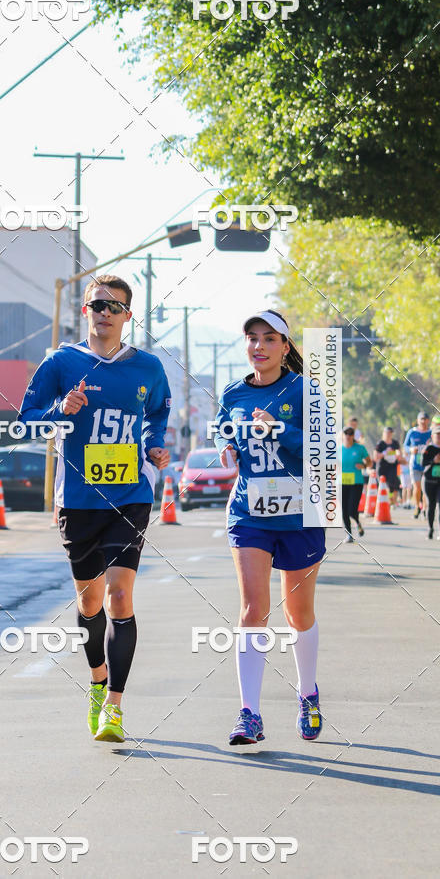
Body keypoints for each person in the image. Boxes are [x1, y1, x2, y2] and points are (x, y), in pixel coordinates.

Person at [19, 275, 171, 742]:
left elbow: (158, 415)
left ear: (128, 317)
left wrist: (155, 447)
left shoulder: (147, 367)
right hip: (79, 501)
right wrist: (60, 410)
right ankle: (97, 679)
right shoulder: (61, 363)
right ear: (84, 311)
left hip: (129, 495)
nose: (105, 312)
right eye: (97, 304)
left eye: (115, 306)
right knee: (90, 601)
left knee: (120, 597)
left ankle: (115, 707)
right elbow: (25, 423)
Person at [213, 309, 325, 745]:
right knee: (252, 611)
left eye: (268, 338)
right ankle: (249, 714)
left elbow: (322, 449)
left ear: (285, 346)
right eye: (251, 338)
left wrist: (278, 430)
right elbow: (224, 429)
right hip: (249, 514)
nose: (258, 346)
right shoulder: (234, 392)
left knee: (298, 614)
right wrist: (225, 446)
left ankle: (308, 692)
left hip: (300, 515)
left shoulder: (305, 391)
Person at [341, 426, 372, 542]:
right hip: (342, 483)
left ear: (353, 436)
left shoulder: (360, 448)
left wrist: (363, 466)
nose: (348, 436)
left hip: (356, 483)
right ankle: (349, 534)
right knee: (344, 510)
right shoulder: (338, 450)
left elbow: (370, 462)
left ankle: (358, 523)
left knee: (352, 510)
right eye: (346, 434)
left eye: (351, 434)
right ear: (343, 435)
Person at [404, 412, 431, 519]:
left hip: (427, 465)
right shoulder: (412, 432)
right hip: (415, 464)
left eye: (425, 419)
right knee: (417, 487)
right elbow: (405, 446)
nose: (423, 421)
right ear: (418, 420)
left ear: (428, 421)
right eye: (421, 419)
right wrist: (411, 449)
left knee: (425, 488)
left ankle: (424, 508)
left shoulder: (431, 432)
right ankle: (417, 506)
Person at [373, 427, 405, 506]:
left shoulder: (395, 443)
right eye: (387, 432)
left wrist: (398, 455)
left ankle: (392, 502)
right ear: (383, 433)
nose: (388, 434)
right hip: (382, 467)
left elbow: (400, 454)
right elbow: (375, 457)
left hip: (392, 467)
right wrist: (384, 453)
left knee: (394, 485)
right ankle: (383, 502)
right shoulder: (380, 444)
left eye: (390, 433)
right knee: (383, 485)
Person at [422, 424, 440, 540]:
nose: (439, 437)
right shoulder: (428, 449)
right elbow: (423, 464)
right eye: (437, 435)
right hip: (428, 481)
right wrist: (434, 461)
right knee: (431, 505)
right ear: (432, 436)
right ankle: (430, 528)